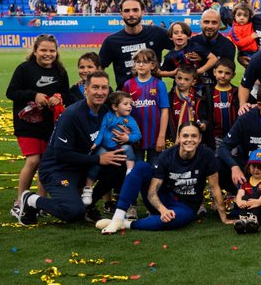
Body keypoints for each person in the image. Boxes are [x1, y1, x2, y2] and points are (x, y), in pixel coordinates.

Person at [15, 71, 128, 226]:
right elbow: (61, 154)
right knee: (73, 212)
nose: (100, 92)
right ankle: (31, 200)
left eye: (104, 88)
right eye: (95, 87)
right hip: (57, 169)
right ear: (86, 90)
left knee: (120, 164)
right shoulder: (72, 115)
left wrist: (124, 136)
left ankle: (88, 205)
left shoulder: (105, 112)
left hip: (81, 166)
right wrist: (98, 159)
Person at [97, 122, 229, 234]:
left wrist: (224, 217)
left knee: (175, 219)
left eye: (194, 136)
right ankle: (118, 217)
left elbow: (214, 187)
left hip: (186, 206)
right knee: (141, 166)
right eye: (185, 136)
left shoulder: (206, 155)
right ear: (179, 138)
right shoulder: (167, 155)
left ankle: (125, 223)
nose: (189, 139)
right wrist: (162, 209)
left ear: (200, 139)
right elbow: (152, 191)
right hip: (163, 198)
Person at [6, 34, 70, 220]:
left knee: (45, 162)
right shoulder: (24, 69)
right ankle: (20, 201)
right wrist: (33, 96)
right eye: (43, 50)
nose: (47, 54)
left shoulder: (60, 71)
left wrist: (59, 98)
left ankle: (41, 202)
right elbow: (11, 92)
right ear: (35, 51)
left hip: (50, 124)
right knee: (33, 160)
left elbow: (66, 94)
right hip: (27, 123)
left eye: (52, 50)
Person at [99, 0, 171, 88]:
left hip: (153, 96)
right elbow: (98, 69)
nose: (131, 14)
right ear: (121, 14)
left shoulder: (157, 33)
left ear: (143, 12)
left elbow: (182, 47)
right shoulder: (111, 41)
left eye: (135, 10)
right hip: (125, 99)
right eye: (127, 10)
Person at [83, 90, 140, 203]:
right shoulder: (108, 117)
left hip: (119, 147)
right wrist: (96, 143)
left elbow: (138, 134)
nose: (129, 107)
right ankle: (88, 188)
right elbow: (102, 131)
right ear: (114, 107)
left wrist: (127, 139)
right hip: (105, 146)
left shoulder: (130, 120)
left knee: (128, 149)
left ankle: (129, 172)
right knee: (97, 159)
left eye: (130, 104)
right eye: (125, 104)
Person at [122, 49, 169, 159]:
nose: (141, 65)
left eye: (145, 62)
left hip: (155, 135)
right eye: (138, 62)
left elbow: (164, 111)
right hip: (135, 136)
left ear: (152, 65)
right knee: (137, 169)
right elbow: (123, 112)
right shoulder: (128, 85)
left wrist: (162, 136)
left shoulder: (159, 84)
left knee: (154, 170)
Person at [190, 7, 237, 94]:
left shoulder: (228, 46)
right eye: (206, 22)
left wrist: (202, 59)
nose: (210, 26)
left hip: (218, 93)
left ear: (219, 25)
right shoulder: (191, 42)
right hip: (193, 92)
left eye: (214, 23)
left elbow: (225, 74)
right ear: (200, 23)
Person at [232, 149, 261, 233]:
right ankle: (243, 220)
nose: (256, 169)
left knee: (257, 193)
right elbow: (240, 193)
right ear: (249, 167)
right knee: (244, 195)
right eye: (254, 166)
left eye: (260, 167)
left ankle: (253, 220)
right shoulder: (245, 182)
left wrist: (258, 201)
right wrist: (239, 201)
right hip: (247, 209)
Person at [166, 63, 205, 147]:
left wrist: (203, 124)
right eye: (179, 78)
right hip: (173, 138)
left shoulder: (198, 99)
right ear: (175, 78)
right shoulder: (169, 97)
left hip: (192, 139)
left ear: (194, 81)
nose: (182, 82)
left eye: (186, 79)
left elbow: (203, 117)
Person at [209, 58, 240, 146]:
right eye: (220, 72)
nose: (223, 76)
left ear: (233, 75)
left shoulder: (237, 92)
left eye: (227, 73)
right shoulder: (208, 93)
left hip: (234, 137)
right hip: (215, 139)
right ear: (214, 72)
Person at [227, 1, 259, 67]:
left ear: (249, 17)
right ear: (234, 16)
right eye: (239, 15)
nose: (242, 18)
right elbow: (239, 43)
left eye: (245, 15)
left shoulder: (251, 24)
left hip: (256, 51)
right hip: (246, 53)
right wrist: (251, 37)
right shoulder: (234, 30)